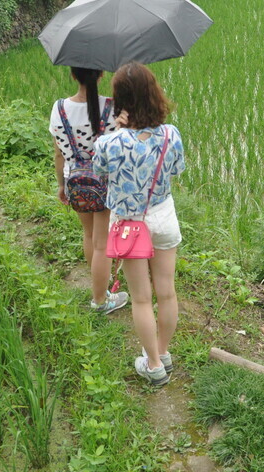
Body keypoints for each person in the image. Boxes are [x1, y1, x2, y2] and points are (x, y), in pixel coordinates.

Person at [94, 63, 185, 386]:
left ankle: (154, 364)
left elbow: (99, 170)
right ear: (153, 94)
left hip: (130, 225)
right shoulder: (171, 134)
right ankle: (162, 352)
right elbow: (176, 170)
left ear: (120, 100)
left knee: (142, 298)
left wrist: (117, 132)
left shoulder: (110, 143)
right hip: (163, 217)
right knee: (167, 292)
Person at [50, 67, 128, 314]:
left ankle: (100, 290)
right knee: (101, 243)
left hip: (75, 181)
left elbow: (58, 152)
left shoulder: (59, 108)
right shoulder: (114, 108)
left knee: (88, 235)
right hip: (104, 184)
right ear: (101, 75)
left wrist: (61, 185)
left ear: (73, 75)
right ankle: (100, 301)